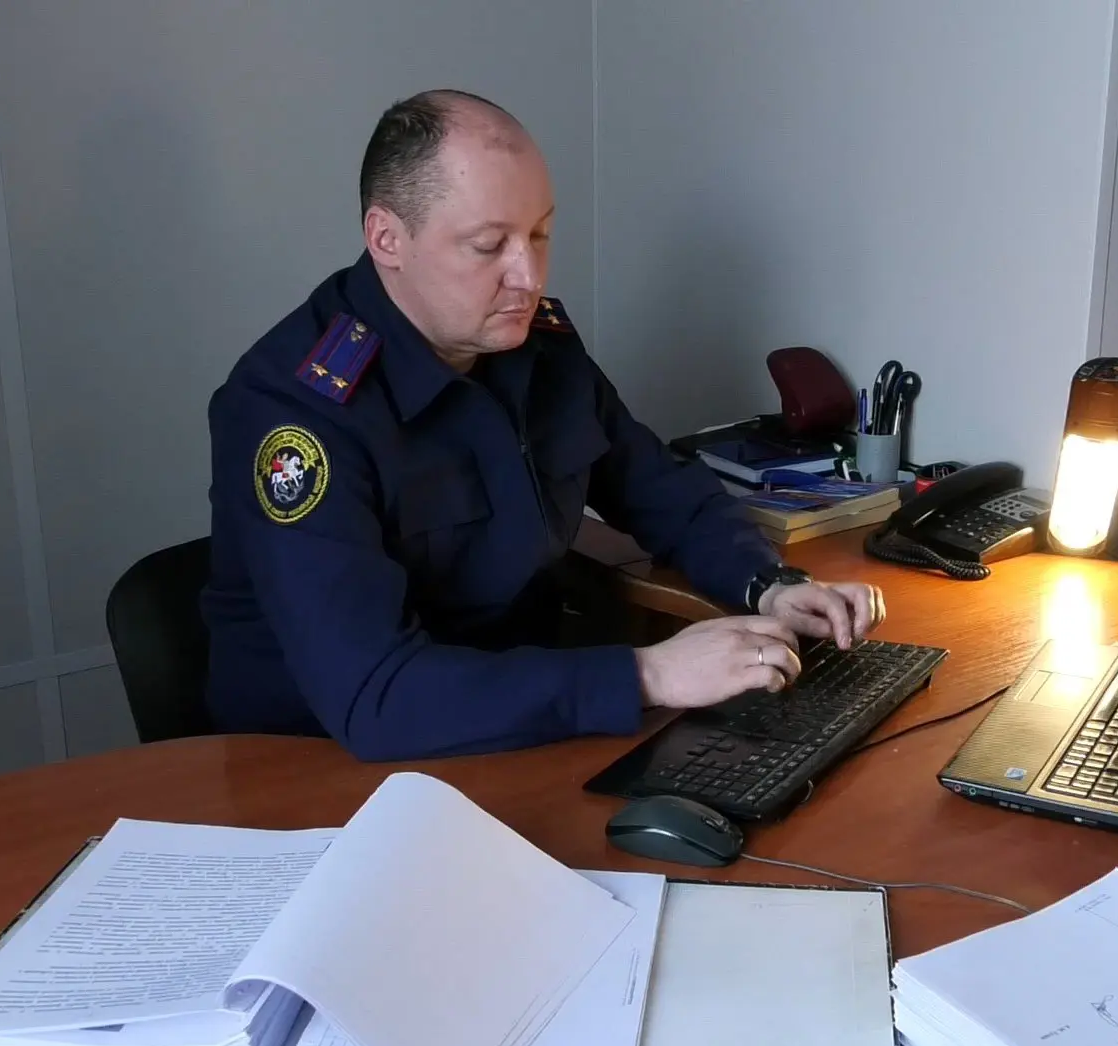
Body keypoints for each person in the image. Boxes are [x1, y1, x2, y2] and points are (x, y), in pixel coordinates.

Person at [201, 89, 888, 761]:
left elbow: (660, 490)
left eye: (539, 234)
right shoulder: (297, 411)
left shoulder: (533, 347)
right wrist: (647, 674)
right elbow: (376, 696)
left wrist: (769, 585)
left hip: (523, 721)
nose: (527, 276)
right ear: (387, 239)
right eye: (488, 245)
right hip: (323, 769)